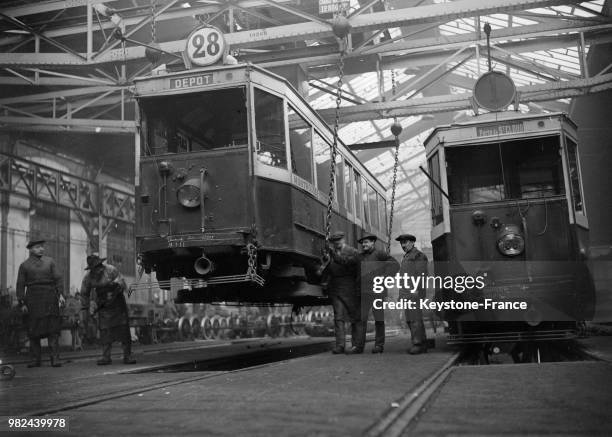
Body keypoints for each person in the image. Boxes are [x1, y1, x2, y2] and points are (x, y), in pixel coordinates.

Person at [16, 239, 65, 367]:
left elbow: (58, 279)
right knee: (33, 331)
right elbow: (20, 285)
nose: (41, 249)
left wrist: (60, 295)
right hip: (32, 300)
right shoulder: (24, 265)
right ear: (31, 249)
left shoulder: (50, 262)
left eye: (42, 247)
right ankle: (35, 359)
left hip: (50, 298)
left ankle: (55, 358)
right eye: (38, 247)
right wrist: (22, 303)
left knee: (53, 330)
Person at [80, 254, 136, 365]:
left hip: (118, 303)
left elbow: (122, 283)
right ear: (91, 269)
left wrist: (117, 288)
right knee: (105, 332)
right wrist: (86, 308)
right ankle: (106, 357)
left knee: (124, 331)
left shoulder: (111, 270)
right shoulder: (88, 278)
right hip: (103, 306)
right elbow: (84, 294)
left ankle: (127, 356)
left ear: (101, 265)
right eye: (94, 268)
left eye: (99, 267)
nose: (97, 270)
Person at [319, 231, 363, 354]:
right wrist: (324, 280)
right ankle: (340, 345)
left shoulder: (353, 252)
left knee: (354, 317)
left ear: (343, 240)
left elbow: (345, 262)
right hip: (335, 287)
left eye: (339, 240)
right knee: (338, 318)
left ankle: (357, 345)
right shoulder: (330, 254)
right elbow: (328, 269)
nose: (337, 243)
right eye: (334, 242)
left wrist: (331, 254)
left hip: (350, 287)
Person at [358, 233, 399, 354]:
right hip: (364, 292)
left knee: (379, 319)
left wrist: (383, 277)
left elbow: (395, 265)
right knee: (361, 319)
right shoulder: (360, 257)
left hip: (377, 292)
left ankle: (379, 345)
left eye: (366, 242)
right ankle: (359, 346)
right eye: (363, 243)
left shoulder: (380, 254)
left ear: (372, 243)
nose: (364, 245)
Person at [397, 233, 429, 354]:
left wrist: (417, 290)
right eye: (401, 243)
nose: (403, 245)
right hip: (406, 293)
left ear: (412, 242)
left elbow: (422, 274)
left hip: (414, 293)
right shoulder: (407, 257)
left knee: (415, 319)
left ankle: (418, 344)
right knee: (411, 319)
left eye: (405, 242)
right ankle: (422, 344)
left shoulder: (418, 256)